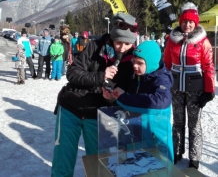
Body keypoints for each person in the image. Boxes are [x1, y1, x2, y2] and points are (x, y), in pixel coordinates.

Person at [51, 12, 138, 177]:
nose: (122, 48)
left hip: (98, 114)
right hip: (71, 107)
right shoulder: (94, 46)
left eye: (127, 44)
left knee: (98, 165)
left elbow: (128, 88)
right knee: (63, 162)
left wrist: (114, 97)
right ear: (112, 37)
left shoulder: (132, 60)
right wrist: (101, 76)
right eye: (119, 42)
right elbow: (72, 73)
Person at [103, 41, 174, 162]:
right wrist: (113, 97)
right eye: (133, 62)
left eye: (140, 63)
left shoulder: (162, 79)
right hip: (137, 138)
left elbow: (159, 102)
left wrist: (123, 98)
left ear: (151, 63)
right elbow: (130, 103)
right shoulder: (137, 77)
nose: (135, 66)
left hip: (156, 142)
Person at [164, 2, 215, 169]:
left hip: (196, 90)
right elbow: (167, 64)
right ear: (180, 22)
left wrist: (208, 91)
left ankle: (194, 158)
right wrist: (164, 84)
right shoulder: (172, 40)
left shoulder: (203, 42)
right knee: (177, 122)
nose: (187, 25)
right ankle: (177, 152)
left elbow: (208, 67)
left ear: (196, 23)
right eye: (185, 21)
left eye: (191, 22)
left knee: (194, 125)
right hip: (176, 88)